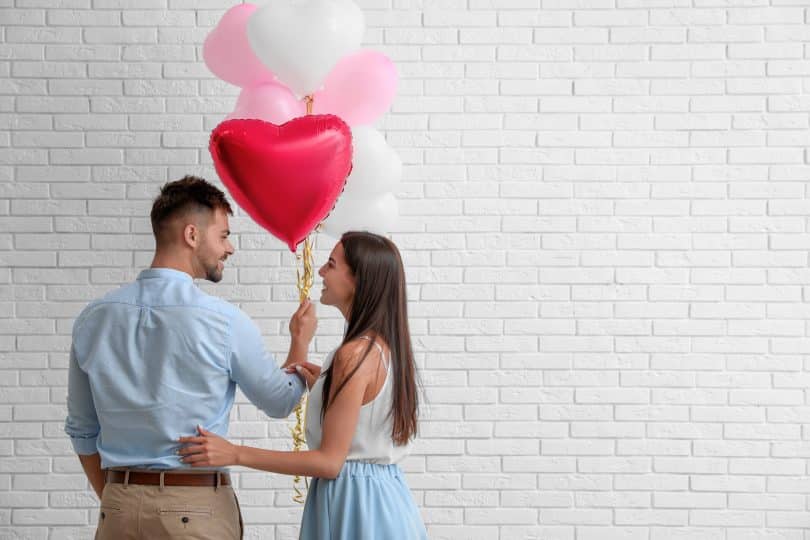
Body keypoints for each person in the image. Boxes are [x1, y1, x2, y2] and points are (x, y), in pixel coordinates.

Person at [64, 176, 313, 540]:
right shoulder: (224, 321)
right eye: (224, 235)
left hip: (117, 506)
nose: (229, 249)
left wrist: (116, 497)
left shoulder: (93, 318)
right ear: (192, 235)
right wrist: (300, 342)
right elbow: (279, 401)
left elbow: (83, 430)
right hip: (195, 508)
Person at [178, 231, 428, 540]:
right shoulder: (383, 348)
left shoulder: (353, 355)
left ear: (357, 279)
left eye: (331, 264)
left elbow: (329, 462)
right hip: (386, 501)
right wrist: (323, 387)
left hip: (355, 507)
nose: (321, 271)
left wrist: (235, 453)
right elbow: (365, 420)